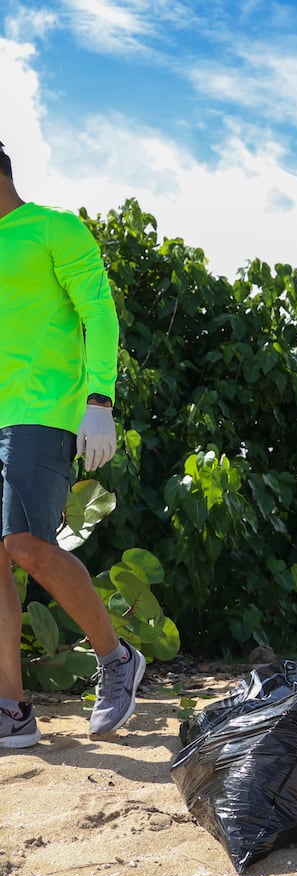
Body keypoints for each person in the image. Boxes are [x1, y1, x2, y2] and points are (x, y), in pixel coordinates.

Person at [0, 139, 145, 748]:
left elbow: (99, 311)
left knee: (27, 545)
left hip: (42, 411)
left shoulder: (52, 229)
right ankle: (11, 709)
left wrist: (99, 400)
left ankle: (116, 659)